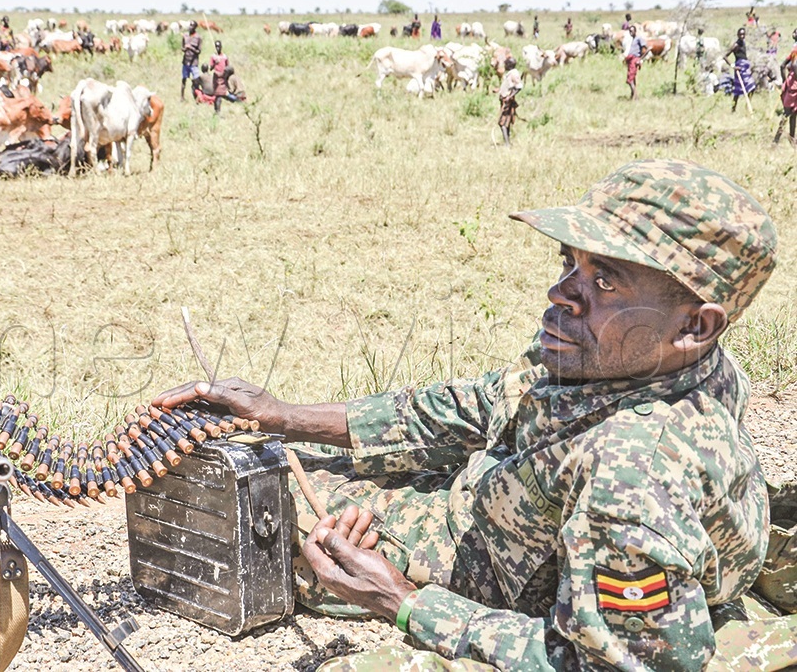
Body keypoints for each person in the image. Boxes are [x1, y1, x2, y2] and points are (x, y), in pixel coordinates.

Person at [153, 158, 792, 671]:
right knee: (272, 456)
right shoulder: (628, 356)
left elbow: (612, 666)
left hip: (491, 575)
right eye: (571, 263)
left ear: (694, 325)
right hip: (493, 511)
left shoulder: (632, 477)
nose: (561, 292)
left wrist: (399, 600)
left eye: (606, 281)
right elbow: (469, 407)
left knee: (255, 503)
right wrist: (279, 415)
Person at [725, 27, 756, 113]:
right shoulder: (736, 45)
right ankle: (733, 109)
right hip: (739, 69)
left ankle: (748, 105)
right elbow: (725, 56)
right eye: (740, 34)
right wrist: (733, 66)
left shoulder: (743, 43)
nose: (742, 36)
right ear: (737, 35)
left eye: (743, 34)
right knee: (738, 90)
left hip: (746, 68)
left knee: (752, 86)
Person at [497, 57, 522, 146]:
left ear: (509, 65)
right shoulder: (510, 74)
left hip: (507, 101)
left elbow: (519, 87)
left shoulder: (513, 74)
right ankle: (507, 142)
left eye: (506, 64)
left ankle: (507, 144)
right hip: (505, 100)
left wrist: (509, 96)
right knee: (505, 122)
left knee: (502, 122)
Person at [775, 58, 797, 145]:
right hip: (793, 87)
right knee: (787, 113)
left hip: (792, 85)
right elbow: (795, 65)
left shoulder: (793, 53)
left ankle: (792, 139)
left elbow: (782, 66)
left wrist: (785, 81)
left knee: (793, 113)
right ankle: (776, 140)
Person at [625, 24, 649, 100]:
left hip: (634, 60)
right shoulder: (633, 39)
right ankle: (633, 95)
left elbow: (646, 49)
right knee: (632, 78)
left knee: (630, 79)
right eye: (629, 31)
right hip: (630, 60)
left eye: (631, 31)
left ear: (635, 31)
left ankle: (635, 97)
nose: (630, 32)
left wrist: (640, 59)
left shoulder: (639, 38)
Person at [180, 21, 202, 101]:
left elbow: (199, 51)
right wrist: (185, 49)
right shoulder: (185, 36)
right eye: (190, 25)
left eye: (192, 25)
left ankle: (197, 97)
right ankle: (182, 97)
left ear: (195, 27)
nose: (190, 27)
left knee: (196, 80)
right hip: (185, 61)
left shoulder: (198, 37)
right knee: (184, 79)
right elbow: (182, 48)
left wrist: (191, 48)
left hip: (194, 63)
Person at [210, 40, 229, 114]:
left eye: (219, 46)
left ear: (221, 47)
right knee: (218, 95)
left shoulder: (224, 56)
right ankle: (217, 111)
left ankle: (217, 111)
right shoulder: (213, 57)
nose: (218, 48)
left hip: (223, 77)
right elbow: (210, 68)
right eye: (216, 46)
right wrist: (215, 64)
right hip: (216, 77)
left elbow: (228, 66)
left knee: (220, 95)